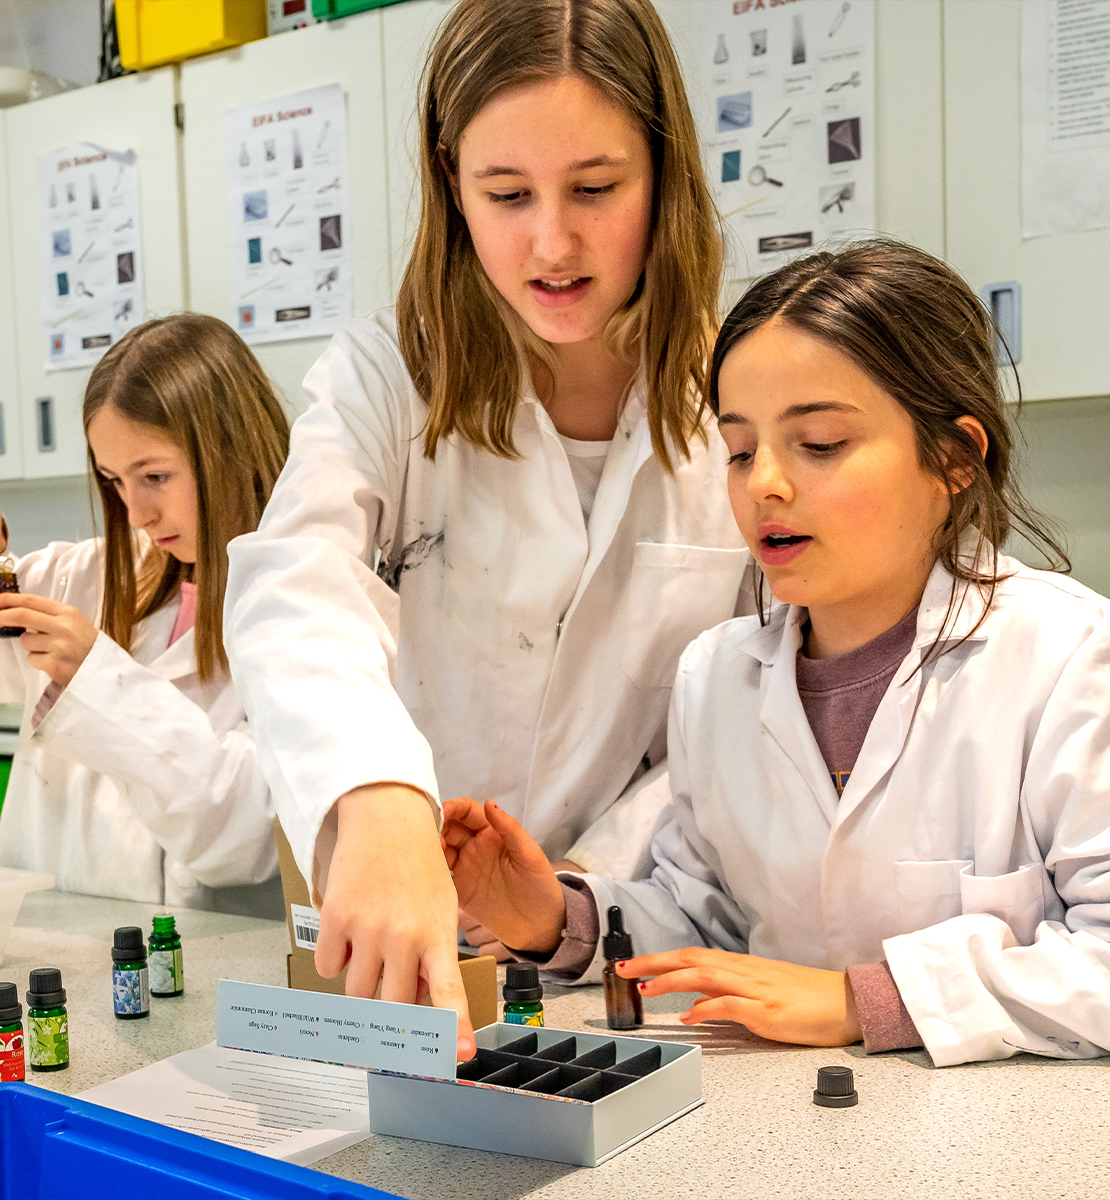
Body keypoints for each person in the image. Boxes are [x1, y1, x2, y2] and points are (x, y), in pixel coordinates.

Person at [223, 0, 750, 1054]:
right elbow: (296, 584)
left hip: (627, 948)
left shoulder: (733, 395)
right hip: (409, 952)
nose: (553, 242)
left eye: (597, 189)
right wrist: (378, 801)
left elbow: (736, 711)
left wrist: (564, 898)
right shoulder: (388, 375)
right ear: (450, 186)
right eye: (506, 194)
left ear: (666, 176)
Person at [442, 239, 1110, 1068]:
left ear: (952, 458)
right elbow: (709, 919)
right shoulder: (715, 676)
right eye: (740, 449)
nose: (765, 484)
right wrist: (553, 916)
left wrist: (869, 1001)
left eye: (820, 443)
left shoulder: (1069, 658)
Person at [0, 314, 291, 915]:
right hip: (54, 946)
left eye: (155, 476)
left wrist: (100, 681)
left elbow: (247, 836)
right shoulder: (85, 578)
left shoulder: (305, 606)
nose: (136, 511)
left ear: (231, 448)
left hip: (205, 962)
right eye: (114, 481)